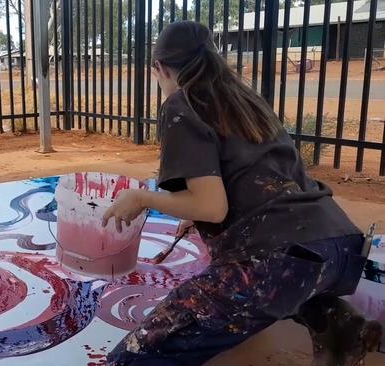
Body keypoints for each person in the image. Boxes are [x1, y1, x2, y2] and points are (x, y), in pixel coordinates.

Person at [101, 21, 382, 366]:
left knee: (137, 354)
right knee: (287, 281)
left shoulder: (182, 103)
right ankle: (337, 323)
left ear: (158, 67)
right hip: (337, 245)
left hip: (276, 260)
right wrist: (197, 213)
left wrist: (141, 198)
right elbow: (253, 181)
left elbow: (212, 206)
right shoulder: (244, 100)